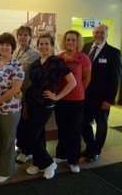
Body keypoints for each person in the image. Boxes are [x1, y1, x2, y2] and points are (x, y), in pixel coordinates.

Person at [25, 33, 76, 179]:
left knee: (31, 135)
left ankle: (48, 163)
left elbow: (72, 82)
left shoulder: (57, 61)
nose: (44, 46)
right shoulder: (36, 63)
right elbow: (32, 84)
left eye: (47, 44)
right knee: (39, 134)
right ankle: (38, 163)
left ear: (52, 45)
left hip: (45, 104)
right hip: (32, 103)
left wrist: (57, 97)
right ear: (37, 45)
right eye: (41, 44)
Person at [0, 32, 25, 183]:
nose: (4, 47)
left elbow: (15, 89)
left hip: (9, 109)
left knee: (8, 140)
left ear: (12, 47)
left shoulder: (16, 64)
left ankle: (6, 170)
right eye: (1, 44)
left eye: (7, 44)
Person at [81, 24, 122, 162]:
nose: (98, 35)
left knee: (101, 126)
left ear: (107, 35)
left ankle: (96, 151)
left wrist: (109, 100)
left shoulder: (113, 52)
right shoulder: (85, 47)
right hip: (85, 96)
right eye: (96, 32)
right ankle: (90, 147)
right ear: (92, 33)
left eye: (102, 33)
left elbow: (116, 78)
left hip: (102, 99)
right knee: (84, 123)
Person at [54, 30, 91, 173]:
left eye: (73, 40)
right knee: (62, 128)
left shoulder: (84, 58)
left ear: (78, 42)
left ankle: (73, 160)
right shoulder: (58, 57)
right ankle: (62, 155)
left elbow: (86, 79)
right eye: (68, 40)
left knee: (75, 130)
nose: (70, 42)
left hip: (77, 100)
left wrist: (79, 90)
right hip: (61, 99)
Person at [13, 25, 41, 164]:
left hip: (28, 95)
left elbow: (35, 78)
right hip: (15, 95)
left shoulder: (35, 54)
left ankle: (28, 151)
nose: (22, 37)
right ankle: (21, 146)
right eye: (20, 34)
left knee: (27, 123)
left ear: (30, 37)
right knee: (19, 124)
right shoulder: (15, 51)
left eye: (25, 35)